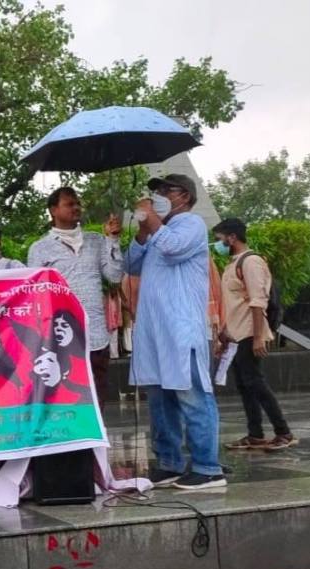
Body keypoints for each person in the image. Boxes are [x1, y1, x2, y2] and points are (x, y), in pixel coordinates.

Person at [127, 174, 224, 490]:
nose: (158, 195)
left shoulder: (191, 224)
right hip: (154, 333)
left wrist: (153, 221)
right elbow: (131, 265)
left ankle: (208, 468)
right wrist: (143, 231)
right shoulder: (158, 231)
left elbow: (172, 248)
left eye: (165, 190)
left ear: (184, 196)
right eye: (156, 191)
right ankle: (169, 462)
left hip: (181, 331)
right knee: (160, 400)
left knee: (192, 396)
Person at [27, 188, 124, 405]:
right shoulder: (40, 248)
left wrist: (113, 240)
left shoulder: (97, 240)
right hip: (60, 336)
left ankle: (97, 429)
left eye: (78, 203)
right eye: (69, 204)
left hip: (95, 334)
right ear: (53, 210)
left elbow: (115, 276)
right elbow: (35, 294)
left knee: (97, 396)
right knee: (66, 395)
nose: (76, 207)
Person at [213, 218, 296, 451]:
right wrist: (224, 334)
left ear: (232, 237)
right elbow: (233, 304)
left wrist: (258, 337)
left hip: (250, 332)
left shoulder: (251, 262)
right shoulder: (233, 264)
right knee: (245, 385)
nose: (217, 244)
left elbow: (258, 302)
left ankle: (283, 432)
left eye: (219, 238)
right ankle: (255, 434)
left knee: (255, 383)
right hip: (237, 335)